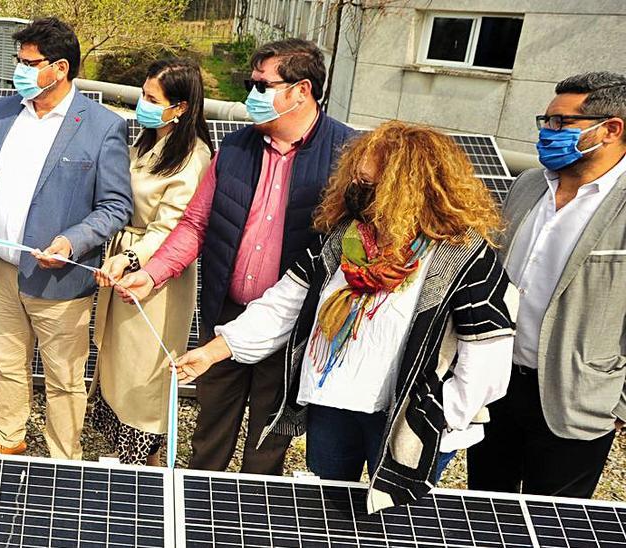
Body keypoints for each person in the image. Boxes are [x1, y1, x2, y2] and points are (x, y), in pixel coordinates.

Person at [173, 121, 516, 510]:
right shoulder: (343, 240)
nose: (358, 192)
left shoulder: (466, 258)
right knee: (333, 510)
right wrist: (215, 351)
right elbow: (284, 303)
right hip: (334, 407)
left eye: (371, 186)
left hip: (408, 419)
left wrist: (440, 417)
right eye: (357, 179)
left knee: (397, 520)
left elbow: (486, 355)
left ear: (408, 190)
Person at [116, 39, 355, 476]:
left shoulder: (347, 156)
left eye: (261, 84)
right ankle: (198, 515)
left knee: (267, 442)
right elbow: (195, 226)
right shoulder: (236, 149)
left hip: (295, 326)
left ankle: (248, 521)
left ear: (301, 90)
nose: (251, 94)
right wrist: (151, 275)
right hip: (225, 313)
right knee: (210, 431)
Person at [0, 17, 133, 460]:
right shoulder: (7, 112)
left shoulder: (101, 127)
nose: (19, 70)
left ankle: (64, 458)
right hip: (3, 270)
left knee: (63, 377)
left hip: (58, 282)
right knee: (7, 363)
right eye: (18, 61)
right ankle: (10, 438)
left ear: (59, 68)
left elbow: (116, 206)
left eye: (29, 62)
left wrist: (72, 242)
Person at [469, 72, 626, 499]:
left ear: (611, 129)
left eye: (560, 123)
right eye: (545, 121)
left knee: (552, 522)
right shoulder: (527, 185)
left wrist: (617, 403)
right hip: (497, 384)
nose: (546, 133)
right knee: (483, 506)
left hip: (574, 399)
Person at [89, 58, 214, 466]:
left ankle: (146, 458)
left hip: (155, 276)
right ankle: (122, 452)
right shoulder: (147, 141)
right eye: (143, 93)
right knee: (116, 360)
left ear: (179, 107)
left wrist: (130, 258)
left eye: (150, 97)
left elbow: (172, 228)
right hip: (123, 261)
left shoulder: (192, 158)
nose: (141, 103)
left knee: (146, 370)